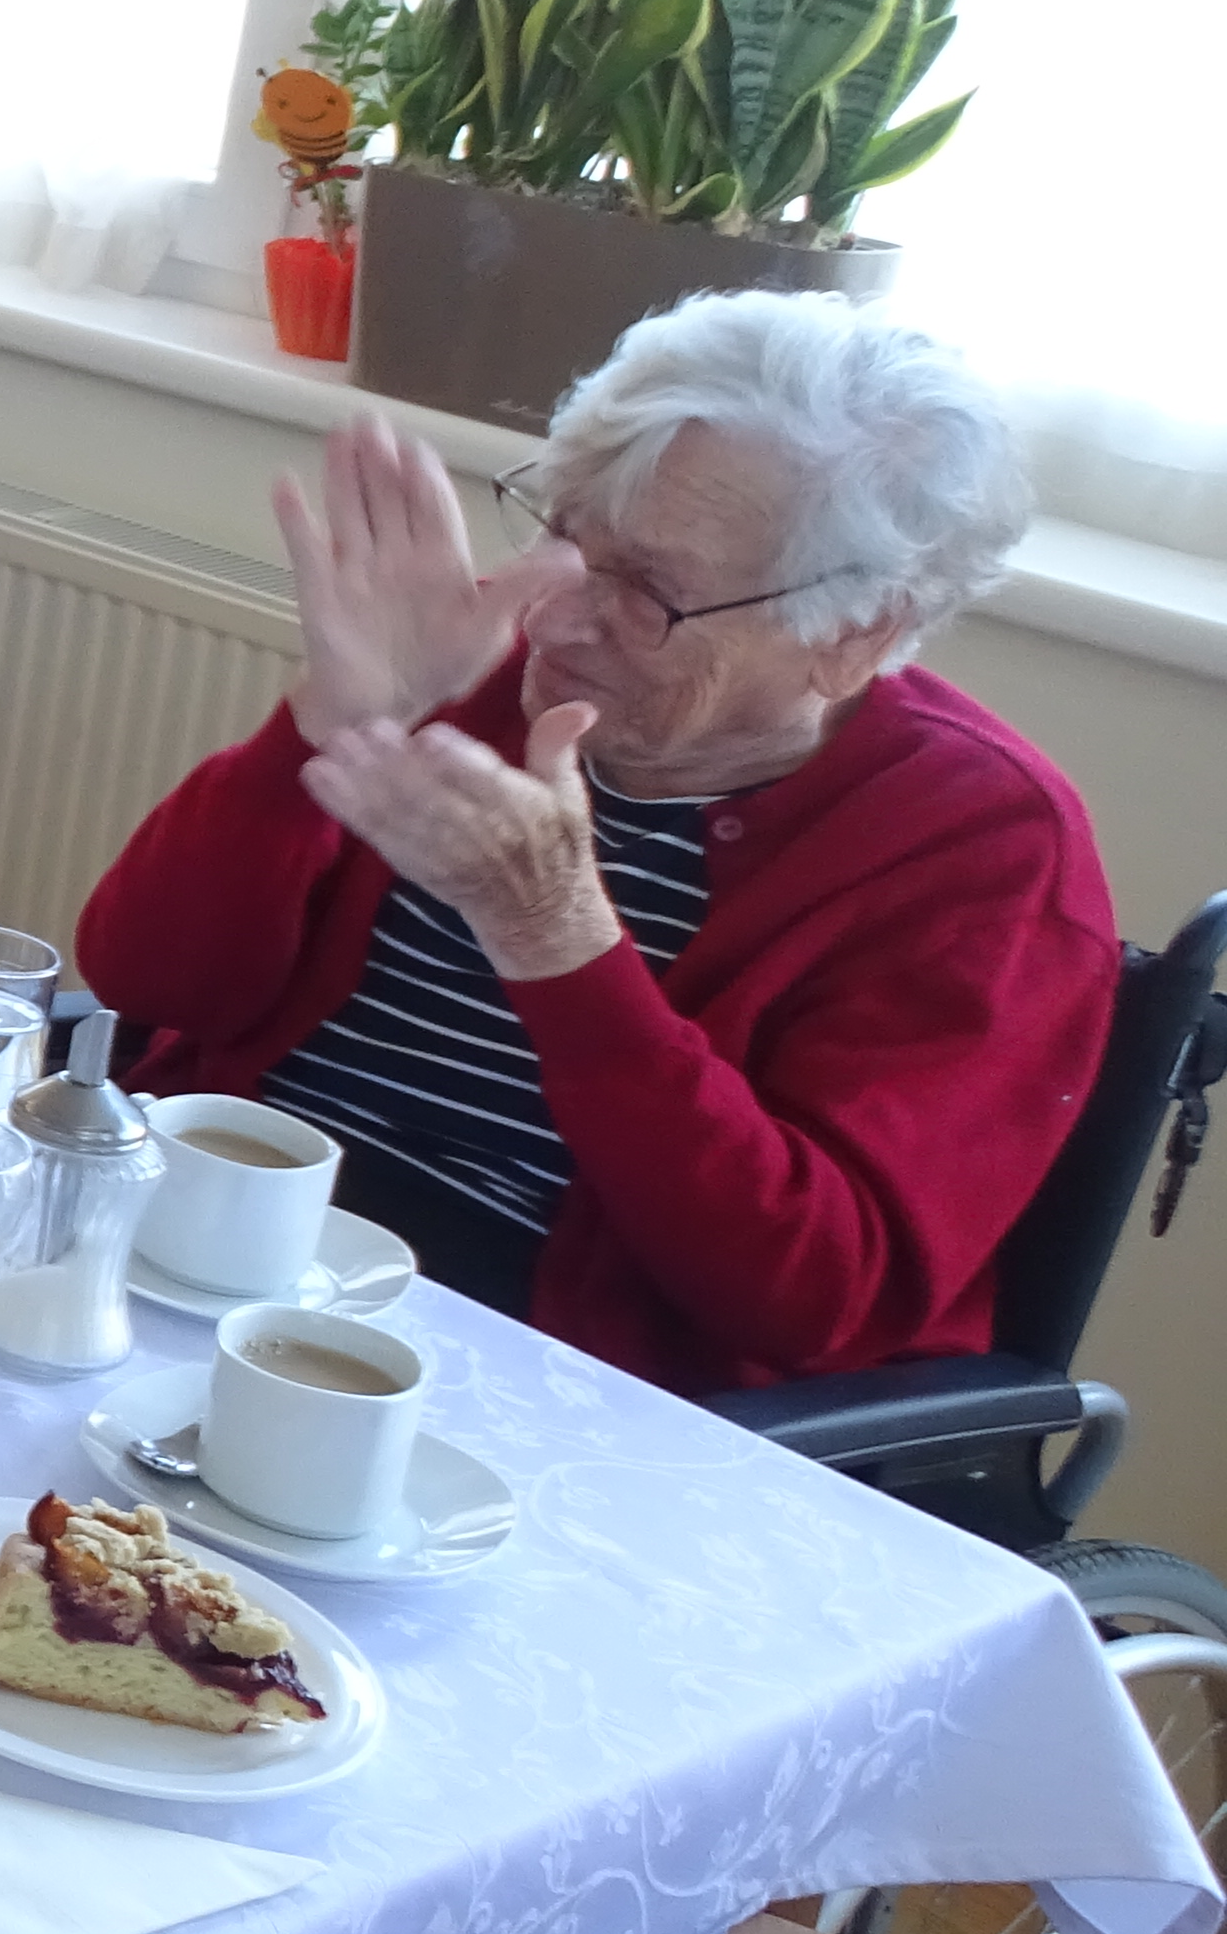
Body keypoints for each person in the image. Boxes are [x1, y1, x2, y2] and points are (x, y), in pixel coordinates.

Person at [81, 293, 1112, 1390]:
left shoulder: (983, 849)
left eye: (652, 591)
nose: (557, 618)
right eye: (566, 537)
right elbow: (148, 982)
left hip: (544, 1367)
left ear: (857, 633)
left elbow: (810, 1291)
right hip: (220, 1244)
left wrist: (558, 937)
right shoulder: (480, 666)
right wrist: (323, 729)